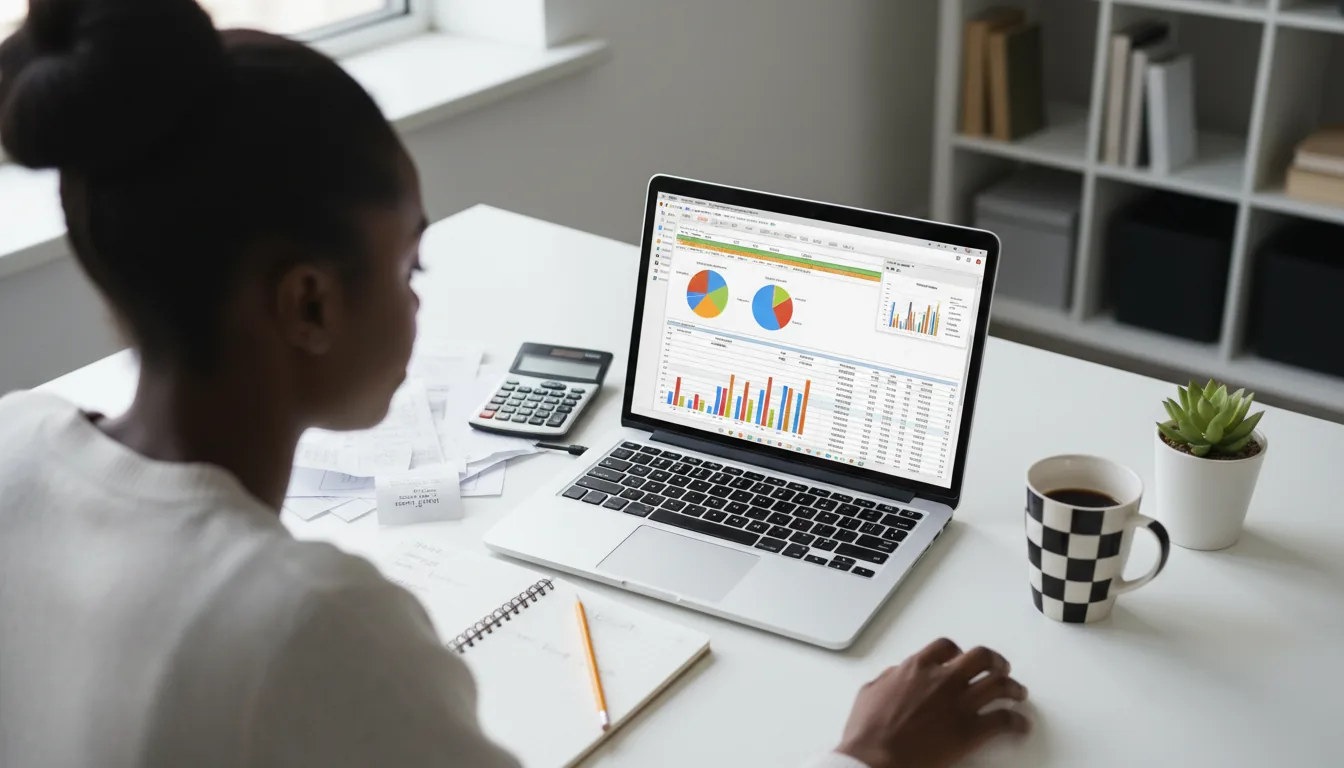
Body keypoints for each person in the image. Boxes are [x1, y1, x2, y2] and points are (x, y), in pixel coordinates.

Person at [0, 1, 1030, 766]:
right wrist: (870, 756)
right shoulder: (312, 629)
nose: (418, 300)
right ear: (308, 305)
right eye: (410, 267)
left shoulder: (12, 447)